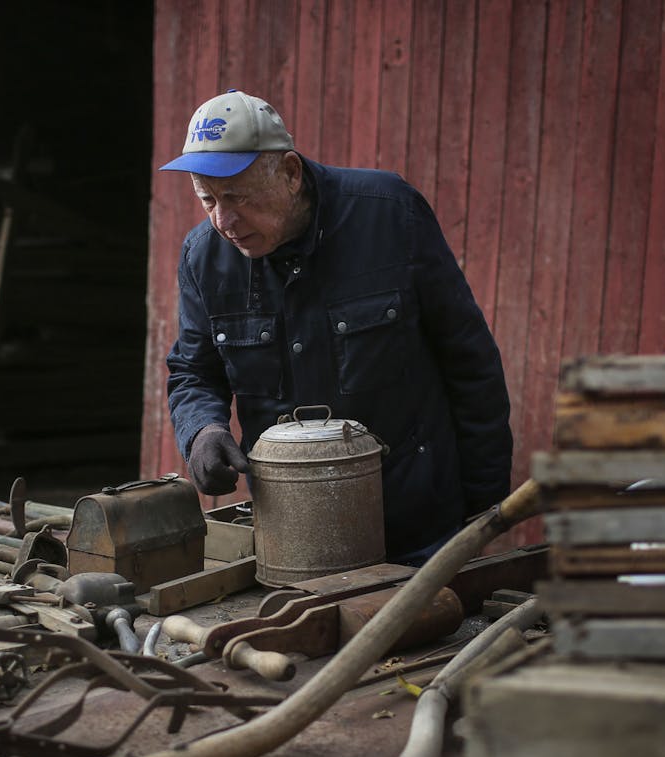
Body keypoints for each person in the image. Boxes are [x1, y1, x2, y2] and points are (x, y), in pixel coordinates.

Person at [161, 90, 513, 564]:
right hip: (291, 534)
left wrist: (485, 509)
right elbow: (193, 372)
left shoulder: (391, 216)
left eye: (237, 198)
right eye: (208, 201)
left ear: (289, 173)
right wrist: (201, 430)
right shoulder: (203, 258)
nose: (224, 221)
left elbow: (469, 361)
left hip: (417, 528)